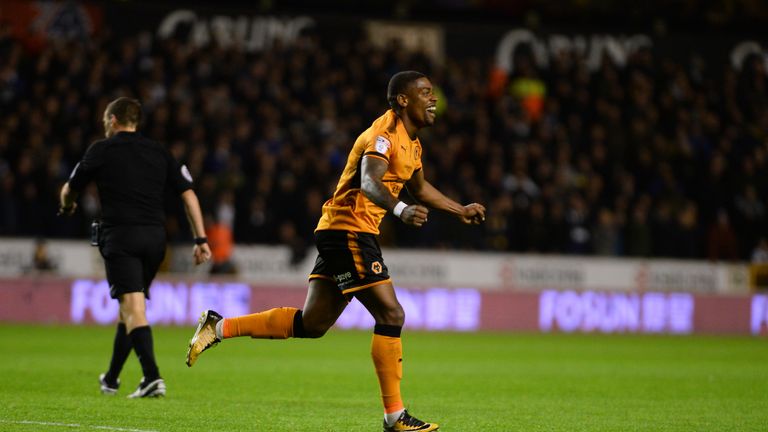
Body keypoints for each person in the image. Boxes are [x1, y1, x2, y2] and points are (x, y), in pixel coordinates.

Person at [186, 71, 485, 431]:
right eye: (425, 93)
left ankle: (218, 327)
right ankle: (395, 416)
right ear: (403, 100)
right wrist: (400, 210)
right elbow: (370, 180)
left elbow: (419, 189)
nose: (433, 99)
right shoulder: (383, 136)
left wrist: (460, 209)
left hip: (340, 231)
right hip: (349, 230)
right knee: (391, 315)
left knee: (312, 324)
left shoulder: (414, 143)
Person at [59, 97, 211, 398]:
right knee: (129, 309)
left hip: (121, 237)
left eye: (106, 120)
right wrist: (201, 239)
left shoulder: (100, 150)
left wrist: (68, 206)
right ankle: (112, 379)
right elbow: (189, 195)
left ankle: (152, 377)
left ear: (114, 120)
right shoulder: (159, 151)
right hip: (155, 240)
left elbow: (69, 188)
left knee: (134, 308)